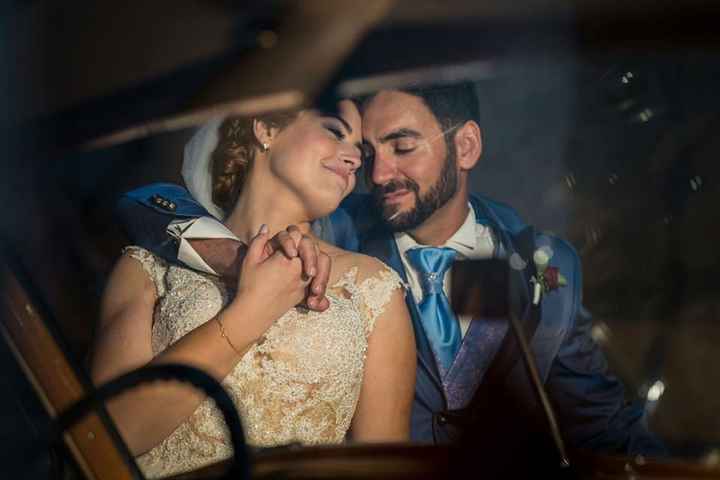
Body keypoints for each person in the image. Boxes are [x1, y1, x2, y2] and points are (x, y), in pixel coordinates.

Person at [117, 83, 665, 462]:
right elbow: (149, 202)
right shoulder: (339, 229)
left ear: (466, 145)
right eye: (369, 151)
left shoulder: (547, 263)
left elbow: (595, 415)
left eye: (402, 147)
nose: (377, 172)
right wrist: (237, 259)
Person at [93, 100, 416, 479]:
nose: (355, 159)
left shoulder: (372, 286)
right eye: (333, 130)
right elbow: (104, 438)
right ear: (266, 128)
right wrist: (255, 308)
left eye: (358, 150)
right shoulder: (146, 267)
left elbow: (381, 469)